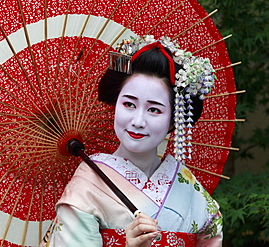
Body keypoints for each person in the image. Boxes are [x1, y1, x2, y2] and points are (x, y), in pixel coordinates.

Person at [40, 36, 223, 247]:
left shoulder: (190, 189)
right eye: (129, 104)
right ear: (115, 104)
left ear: (173, 120)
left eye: (154, 109)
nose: (137, 121)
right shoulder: (87, 187)